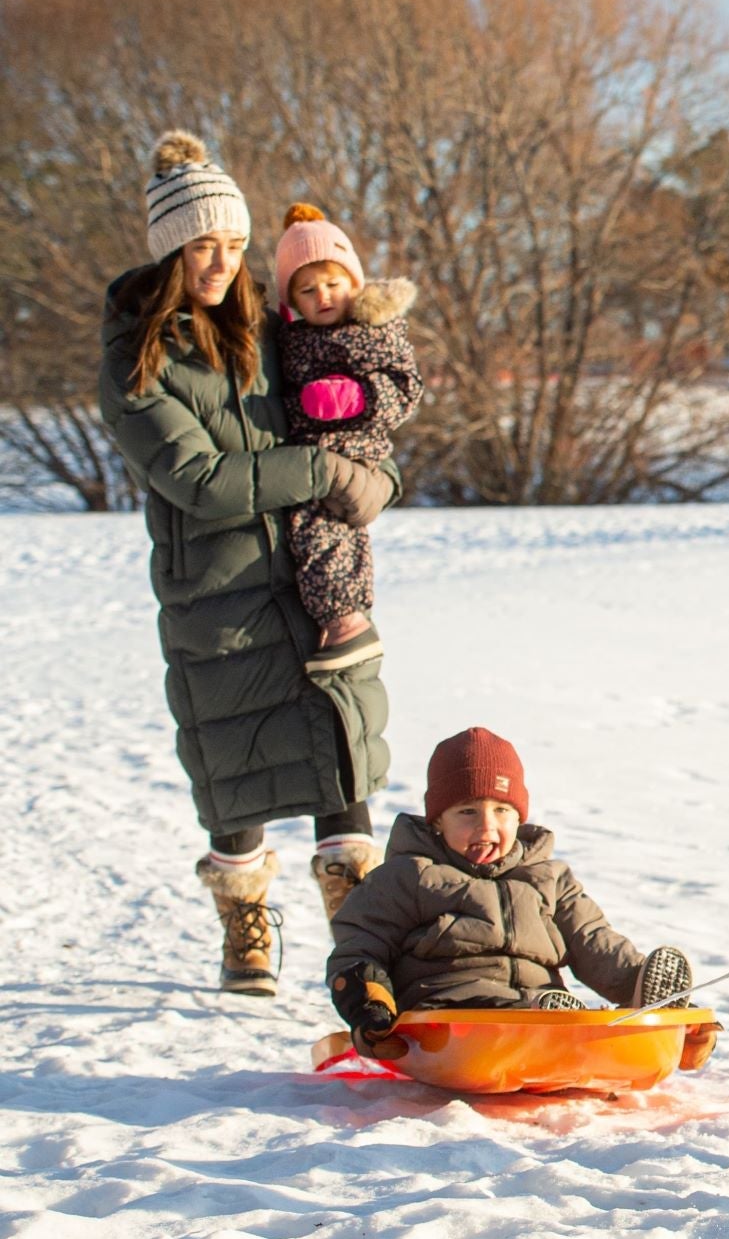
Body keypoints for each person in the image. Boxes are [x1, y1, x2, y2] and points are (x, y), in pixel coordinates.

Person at [100, 131, 398, 996]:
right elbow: (196, 478)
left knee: (341, 754)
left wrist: (377, 475)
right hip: (216, 598)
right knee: (236, 771)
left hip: (310, 578)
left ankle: (363, 951)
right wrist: (321, 472)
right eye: (203, 247)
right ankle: (245, 916)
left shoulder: (269, 329)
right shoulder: (136, 359)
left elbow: (349, 416)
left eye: (233, 246)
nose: (222, 264)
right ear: (169, 250)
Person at [327, 727, 694, 1045]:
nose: (487, 828)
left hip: (539, 1006)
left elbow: (594, 942)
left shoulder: (548, 879)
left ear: (520, 818)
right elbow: (361, 942)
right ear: (438, 821)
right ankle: (549, 1025)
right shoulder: (409, 877)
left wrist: (643, 989)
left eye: (502, 811)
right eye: (467, 812)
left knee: (561, 1011)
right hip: (447, 1016)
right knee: (533, 1015)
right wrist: (368, 999)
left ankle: (648, 1021)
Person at [270, 202, 424, 666]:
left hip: (354, 447)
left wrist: (356, 398)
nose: (323, 296)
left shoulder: (373, 330)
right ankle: (331, 619)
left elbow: (406, 387)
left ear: (353, 283)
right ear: (292, 299)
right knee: (311, 532)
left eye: (333, 283)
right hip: (310, 448)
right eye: (308, 289)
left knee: (327, 529)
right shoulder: (290, 340)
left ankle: (346, 619)